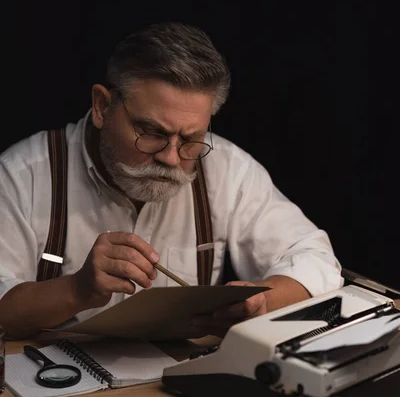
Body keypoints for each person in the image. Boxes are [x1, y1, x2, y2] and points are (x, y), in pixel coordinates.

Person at [0, 22, 342, 340]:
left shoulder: (225, 168)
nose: (171, 157)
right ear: (102, 106)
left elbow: (314, 258)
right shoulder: (22, 176)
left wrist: (261, 303)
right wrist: (76, 290)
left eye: (191, 138)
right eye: (151, 133)